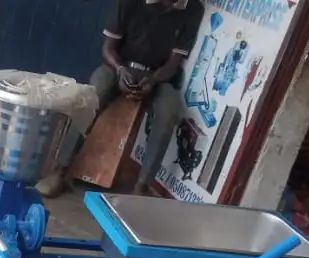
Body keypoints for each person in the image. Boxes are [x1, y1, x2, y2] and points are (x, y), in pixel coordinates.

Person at [36, 0, 205, 198]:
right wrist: (120, 69)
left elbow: (173, 63)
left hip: (156, 77)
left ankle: (141, 187)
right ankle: (60, 170)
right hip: (116, 67)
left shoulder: (193, 9)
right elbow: (108, 48)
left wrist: (151, 81)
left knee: (169, 107)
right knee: (92, 95)